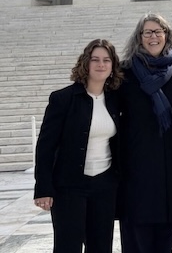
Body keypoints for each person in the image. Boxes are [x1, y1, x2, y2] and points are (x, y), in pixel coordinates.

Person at [33, 39, 123, 253]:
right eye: (95, 59)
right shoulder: (63, 99)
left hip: (104, 184)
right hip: (69, 185)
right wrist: (43, 188)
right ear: (86, 63)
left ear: (112, 66)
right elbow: (45, 146)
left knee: (101, 246)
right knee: (68, 246)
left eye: (106, 60)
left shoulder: (115, 100)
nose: (101, 64)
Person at [118, 13, 172, 253]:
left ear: (167, 36)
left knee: (165, 242)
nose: (153, 36)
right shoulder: (124, 73)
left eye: (159, 31)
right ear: (139, 37)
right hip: (136, 171)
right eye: (148, 32)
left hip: (168, 172)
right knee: (136, 241)